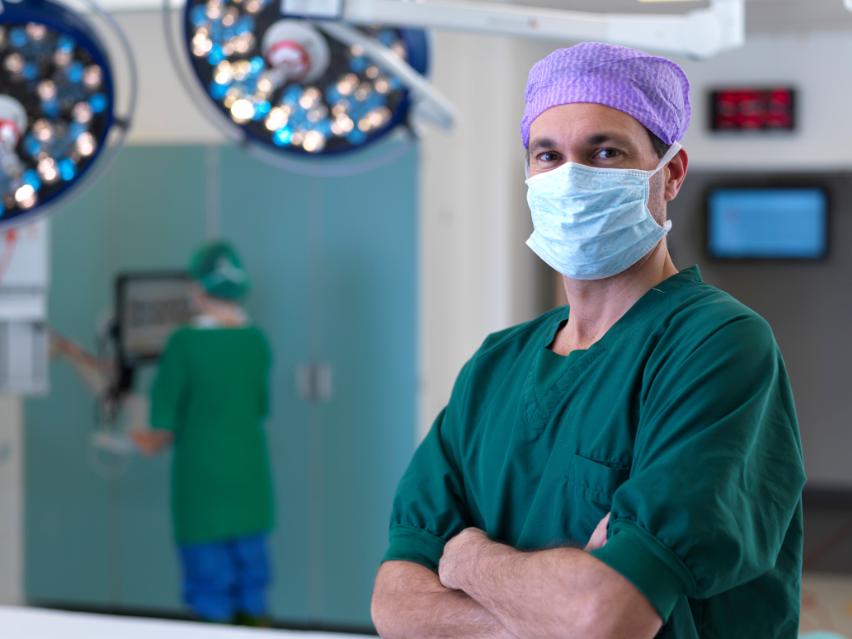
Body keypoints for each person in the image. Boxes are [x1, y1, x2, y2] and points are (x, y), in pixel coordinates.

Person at [371, 42, 805, 638]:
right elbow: (395, 605)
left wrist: (469, 560)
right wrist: (552, 609)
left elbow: (605, 618)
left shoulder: (716, 345)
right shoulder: (495, 365)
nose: (571, 178)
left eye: (605, 152)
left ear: (671, 173)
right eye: (548, 155)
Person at [132, 240, 275, 626]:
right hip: (249, 482)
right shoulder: (256, 342)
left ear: (198, 287)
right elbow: (260, 408)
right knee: (252, 582)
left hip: (203, 486)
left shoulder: (184, 343)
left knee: (210, 586)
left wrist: (136, 439)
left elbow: (161, 429)